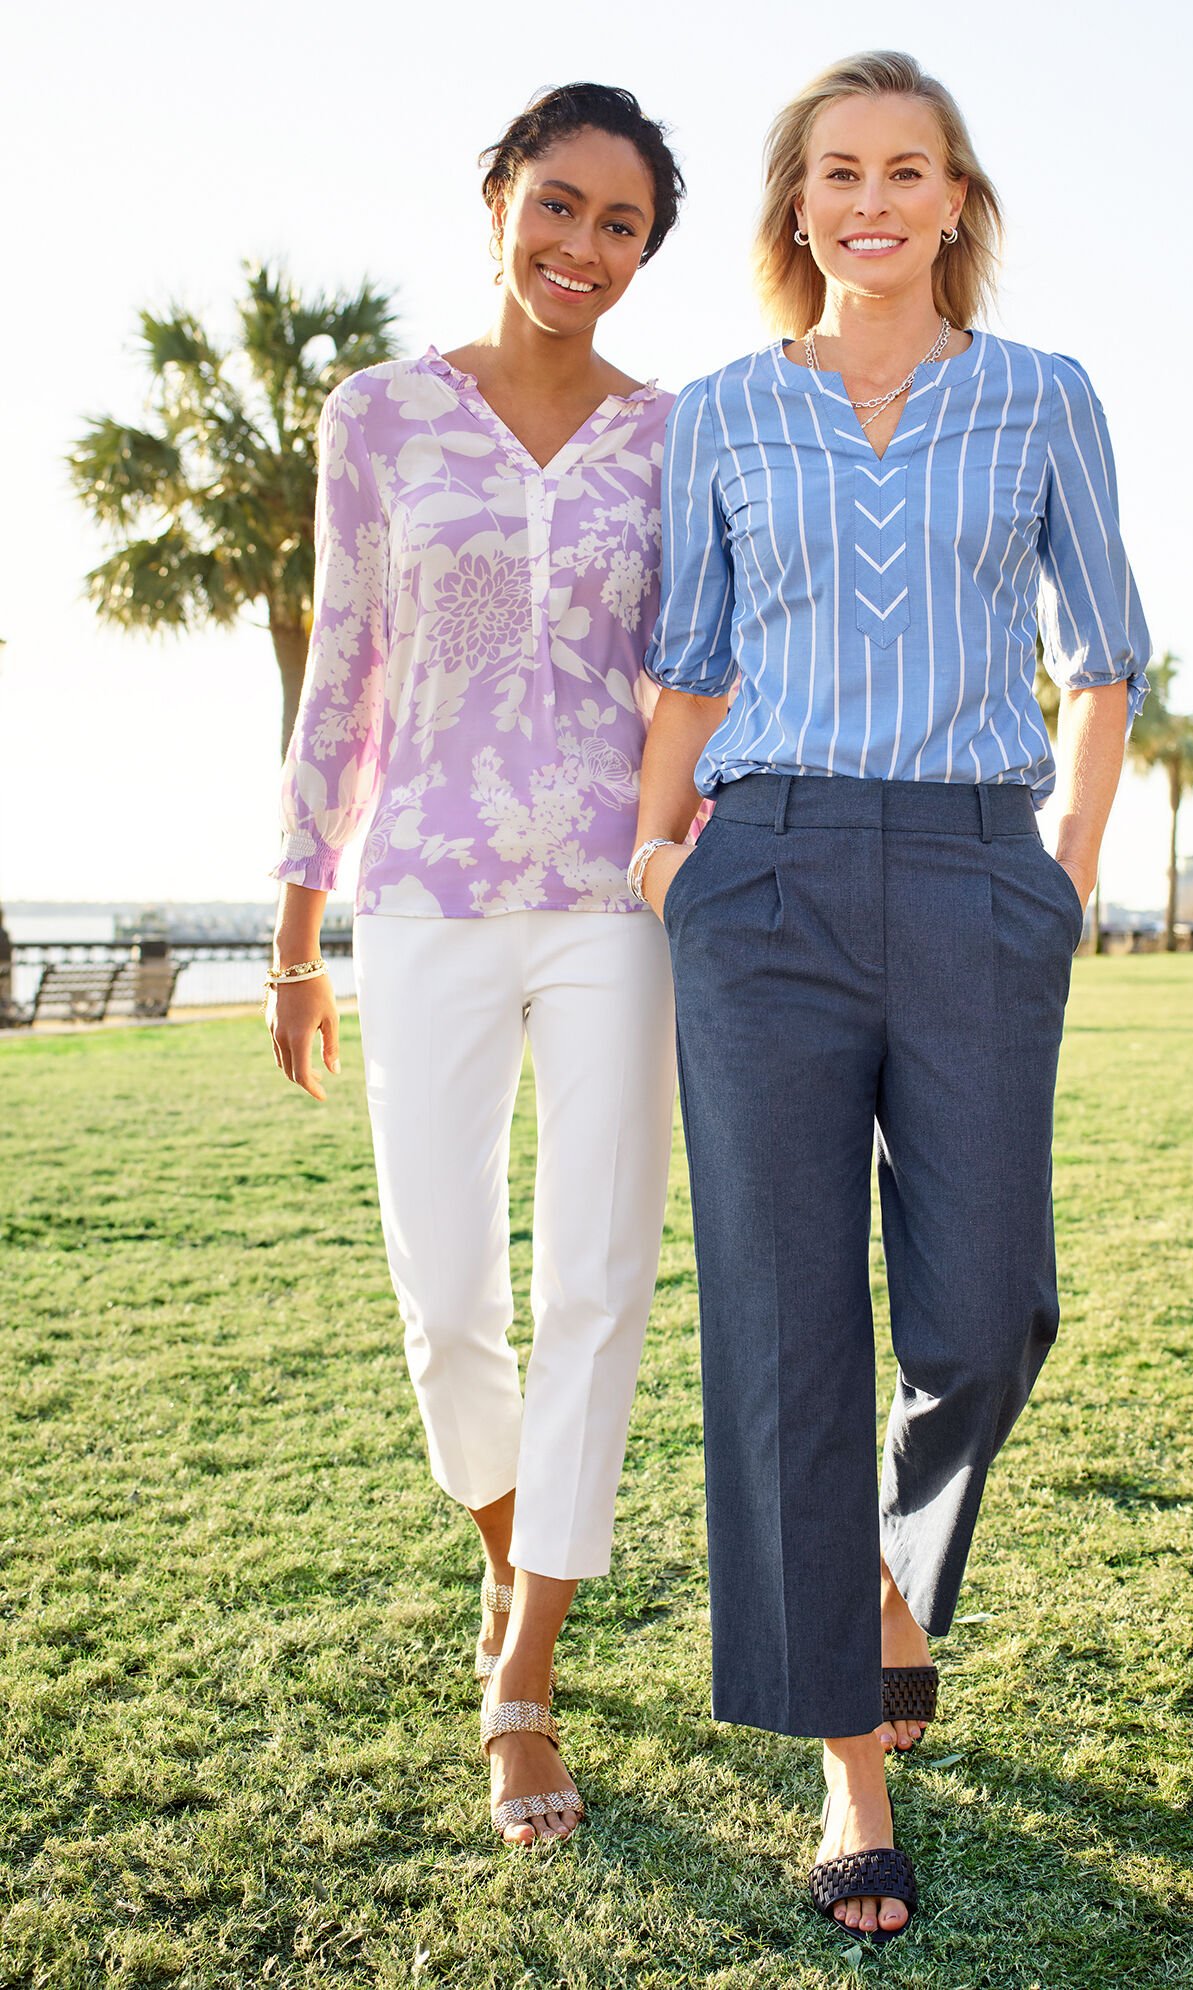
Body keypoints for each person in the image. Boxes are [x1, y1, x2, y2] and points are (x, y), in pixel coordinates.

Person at [630, 50, 1150, 1941]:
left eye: (906, 170)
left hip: (968, 870)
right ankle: (848, 1761)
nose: (871, 198)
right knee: (778, 1318)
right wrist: (654, 851)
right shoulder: (721, 418)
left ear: (954, 200)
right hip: (755, 873)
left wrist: (1061, 876)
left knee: (985, 1307)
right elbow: (690, 656)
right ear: (795, 203)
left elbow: (1106, 654)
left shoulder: (1040, 398)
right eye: (837, 169)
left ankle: (899, 1574)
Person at [267, 82, 685, 1847]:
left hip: (616, 903)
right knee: (448, 1298)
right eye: (561, 205)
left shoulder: (677, 440)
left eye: (623, 227)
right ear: (499, 193)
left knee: (595, 1279)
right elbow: (342, 665)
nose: (584, 247)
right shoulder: (375, 415)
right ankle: (519, 1553)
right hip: (423, 891)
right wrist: (295, 918)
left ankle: (526, 1663)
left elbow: (697, 674)